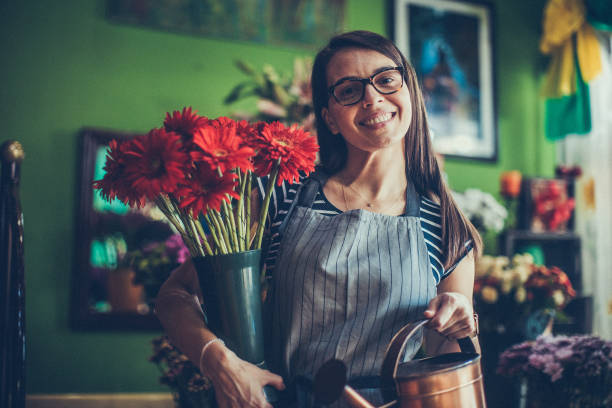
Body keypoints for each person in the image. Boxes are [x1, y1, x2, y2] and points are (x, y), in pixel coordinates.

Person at [155, 30, 482, 408]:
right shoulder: (284, 195)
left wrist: (459, 323)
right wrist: (221, 364)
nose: (372, 97)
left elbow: (447, 362)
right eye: (348, 90)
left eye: (386, 80)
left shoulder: (446, 226)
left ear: (411, 90)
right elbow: (174, 296)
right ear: (328, 117)